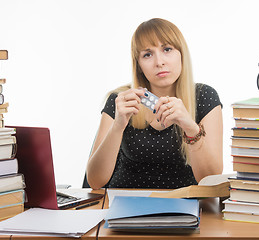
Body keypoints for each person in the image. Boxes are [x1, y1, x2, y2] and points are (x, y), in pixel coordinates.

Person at [86, 18, 223, 190]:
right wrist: (117, 126)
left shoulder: (204, 96)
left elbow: (211, 181)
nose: (159, 62)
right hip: (124, 204)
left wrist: (190, 128)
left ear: (182, 54)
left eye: (167, 49)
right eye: (147, 54)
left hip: (184, 208)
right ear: (139, 65)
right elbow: (95, 181)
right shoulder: (122, 100)